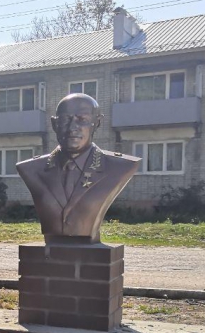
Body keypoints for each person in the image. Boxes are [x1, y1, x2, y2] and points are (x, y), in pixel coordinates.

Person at [16, 93, 139, 243]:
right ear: (54, 124)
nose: (72, 128)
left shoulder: (119, 167)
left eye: (82, 120)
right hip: (51, 248)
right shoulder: (32, 169)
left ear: (97, 123)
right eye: (65, 120)